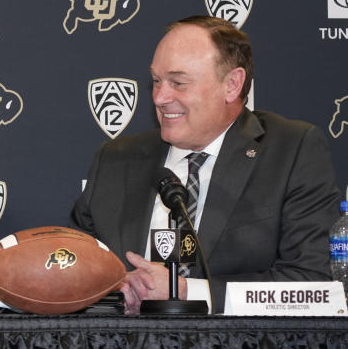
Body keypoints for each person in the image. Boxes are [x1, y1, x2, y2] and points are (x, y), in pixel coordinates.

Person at [70, 16, 341, 314]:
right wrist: (111, 288)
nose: (160, 97)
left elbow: (312, 283)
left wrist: (187, 292)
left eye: (178, 83)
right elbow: (75, 266)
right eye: (157, 81)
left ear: (232, 85)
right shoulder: (116, 159)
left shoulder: (290, 151)